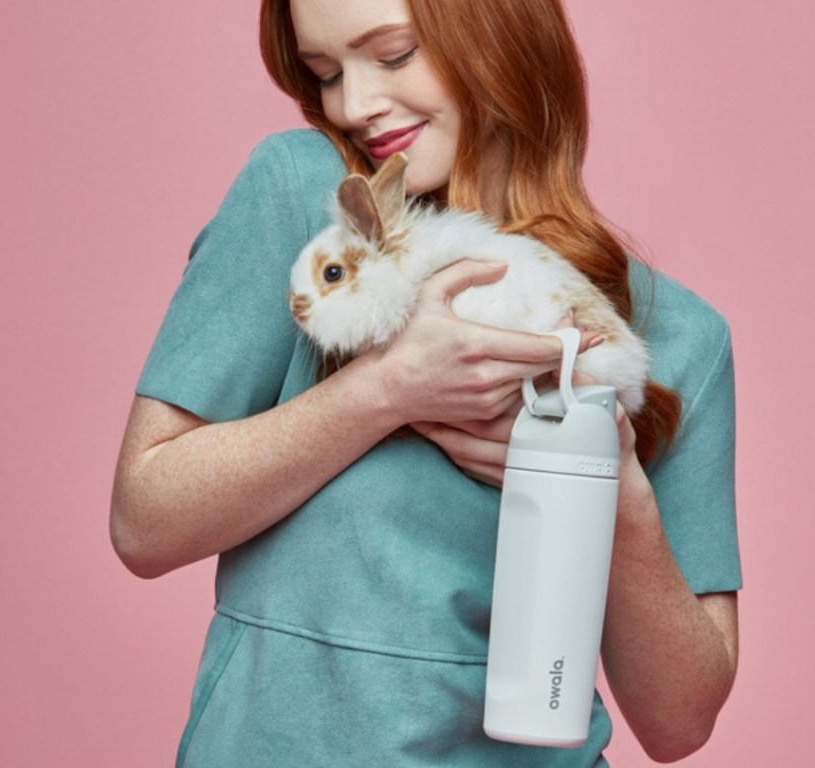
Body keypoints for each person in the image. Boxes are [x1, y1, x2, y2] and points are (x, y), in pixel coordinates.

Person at [110, 0, 741, 765]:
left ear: (503, 30)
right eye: (326, 73)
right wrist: (390, 388)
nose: (353, 105)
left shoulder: (672, 334)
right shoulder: (319, 220)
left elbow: (680, 723)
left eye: (396, 54)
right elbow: (144, 521)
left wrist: (621, 494)